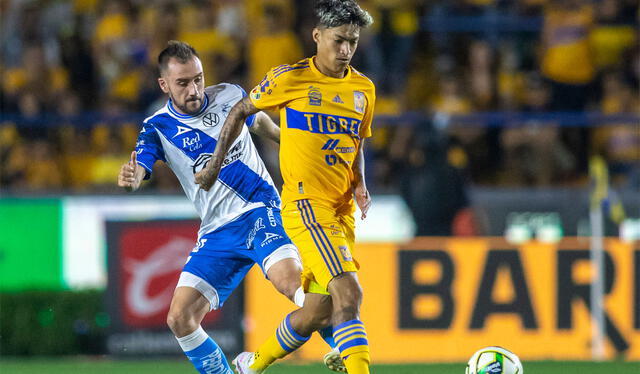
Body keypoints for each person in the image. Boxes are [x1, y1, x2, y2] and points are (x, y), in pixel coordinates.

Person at [117, 41, 328, 374]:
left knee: (294, 286)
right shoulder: (157, 127)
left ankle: (342, 349)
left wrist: (303, 152)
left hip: (261, 209)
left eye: (198, 78)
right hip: (217, 231)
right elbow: (139, 168)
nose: (195, 89)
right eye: (183, 83)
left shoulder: (230, 94)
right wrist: (132, 178)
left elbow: (266, 128)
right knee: (179, 318)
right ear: (164, 85)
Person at [195, 1, 375, 373]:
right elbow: (241, 111)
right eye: (339, 40)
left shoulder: (364, 89)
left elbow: (357, 140)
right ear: (317, 36)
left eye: (352, 43)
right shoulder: (289, 78)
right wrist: (214, 163)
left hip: (342, 211)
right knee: (349, 293)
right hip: (306, 206)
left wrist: (360, 184)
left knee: (316, 312)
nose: (345, 50)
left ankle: (251, 364)